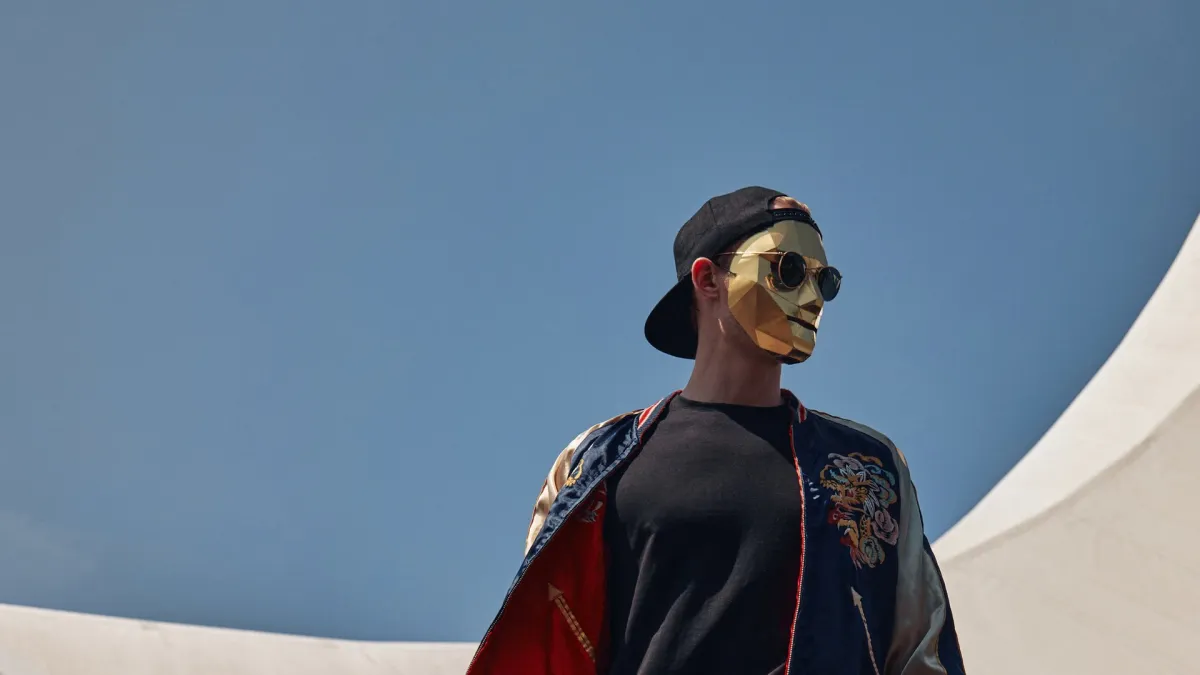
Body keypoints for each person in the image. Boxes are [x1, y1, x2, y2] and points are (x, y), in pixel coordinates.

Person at [466, 186, 966, 675]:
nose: (813, 299)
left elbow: (921, 654)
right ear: (707, 280)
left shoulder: (868, 468)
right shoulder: (595, 462)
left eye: (826, 281)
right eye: (789, 270)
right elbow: (543, 641)